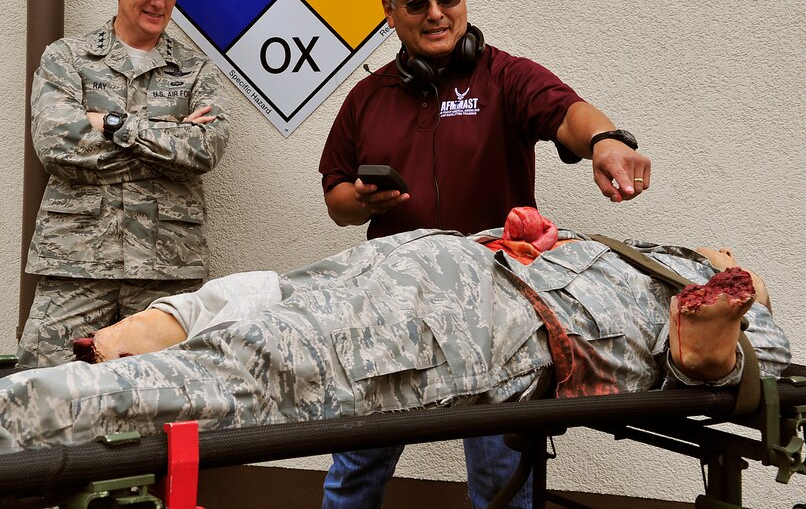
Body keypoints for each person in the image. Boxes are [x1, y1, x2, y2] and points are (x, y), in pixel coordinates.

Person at [317, 0, 652, 508]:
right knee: (354, 472)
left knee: (502, 484)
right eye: (417, 2)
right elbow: (337, 198)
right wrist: (364, 201)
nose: (436, 13)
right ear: (390, 12)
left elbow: (567, 112)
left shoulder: (506, 77)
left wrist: (605, 141)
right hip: (394, 306)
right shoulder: (366, 98)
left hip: (496, 311)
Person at [0, 215, 790, 455]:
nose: (726, 259)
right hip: (421, 260)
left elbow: (705, 365)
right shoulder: (657, 254)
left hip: (451, 326)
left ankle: (17, 414)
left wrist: (717, 313)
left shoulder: (737, 325)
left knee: (237, 373)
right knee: (229, 307)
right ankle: (123, 346)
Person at [17, 0, 231, 368]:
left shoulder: (195, 70)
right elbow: (57, 145)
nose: (159, 2)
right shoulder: (69, 57)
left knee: (163, 397)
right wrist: (164, 137)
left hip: (164, 268)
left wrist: (112, 124)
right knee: (44, 389)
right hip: (77, 263)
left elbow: (204, 149)